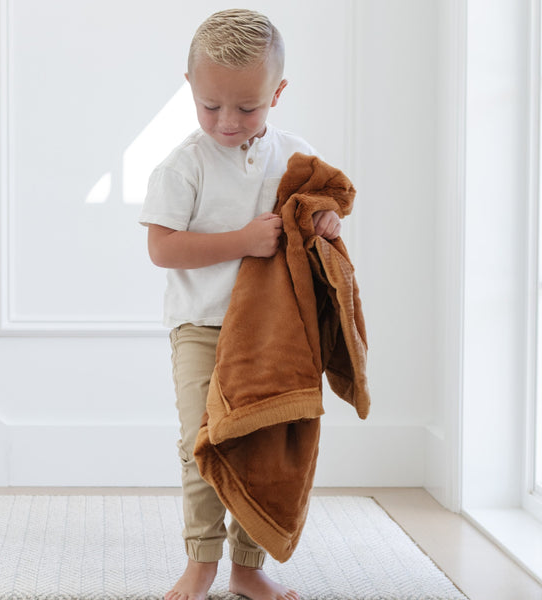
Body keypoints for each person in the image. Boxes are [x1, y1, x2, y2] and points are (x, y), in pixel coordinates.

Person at [139, 9, 341, 600]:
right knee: (202, 439)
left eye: (247, 107)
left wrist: (326, 223)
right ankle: (201, 560)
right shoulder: (184, 165)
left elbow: (319, 212)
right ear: (191, 88)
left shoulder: (296, 155)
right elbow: (162, 248)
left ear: (277, 93)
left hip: (274, 331)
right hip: (202, 326)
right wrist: (244, 242)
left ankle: (247, 566)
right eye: (211, 105)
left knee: (265, 445)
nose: (227, 122)